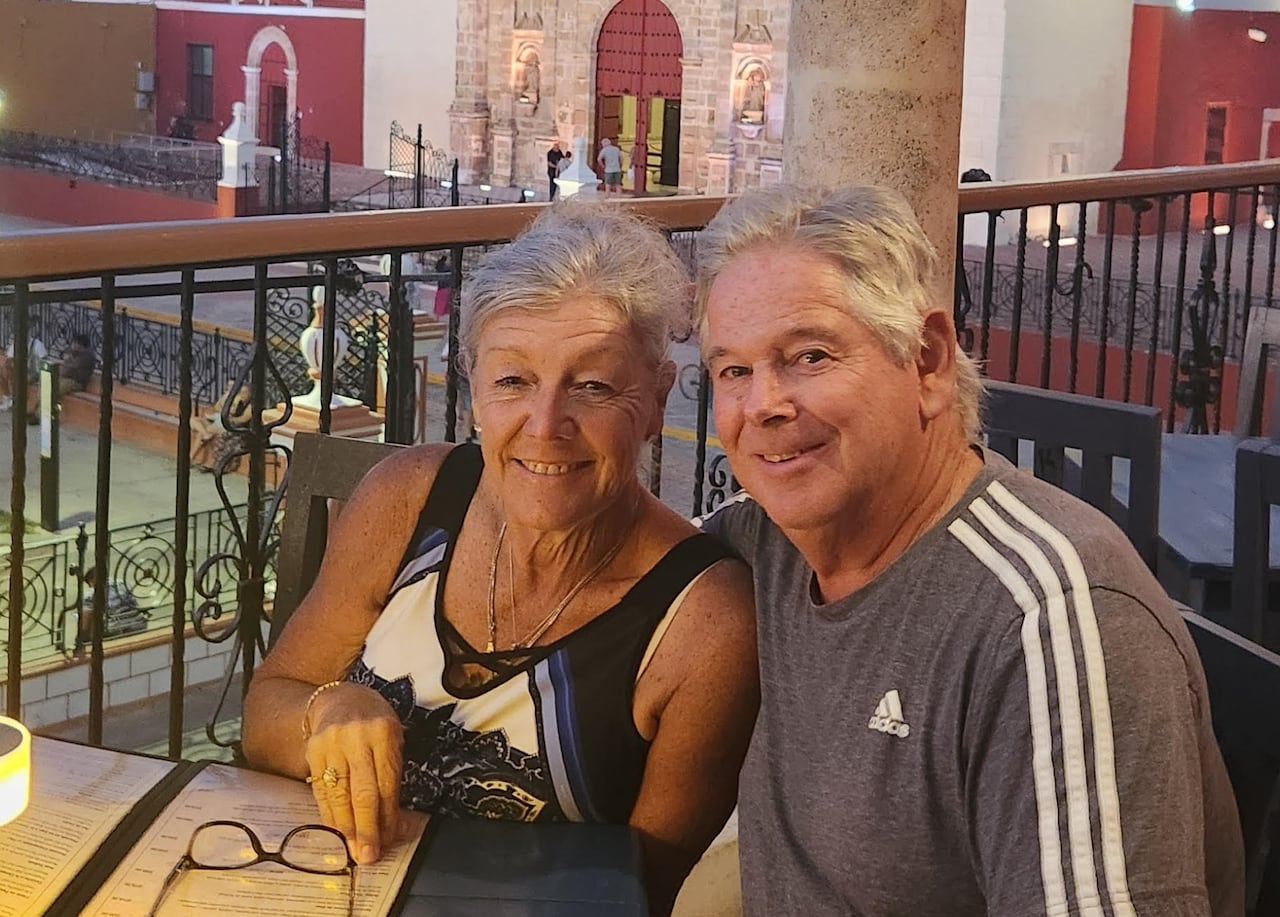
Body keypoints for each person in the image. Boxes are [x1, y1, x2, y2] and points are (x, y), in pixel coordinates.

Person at [693, 184, 1245, 917]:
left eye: (810, 356)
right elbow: (621, 564)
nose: (762, 404)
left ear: (926, 361)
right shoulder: (765, 539)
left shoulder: (1050, 620)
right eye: (734, 370)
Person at [242, 202, 759, 915]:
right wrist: (327, 708)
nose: (545, 427)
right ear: (474, 386)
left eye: (594, 386)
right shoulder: (408, 498)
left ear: (656, 398)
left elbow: (633, 893)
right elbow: (268, 704)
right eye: (513, 381)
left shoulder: (704, 626)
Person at [190, 382, 252, 472]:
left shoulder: (250, 405)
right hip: (225, 422)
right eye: (241, 392)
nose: (242, 395)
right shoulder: (238, 401)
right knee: (195, 421)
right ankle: (195, 454)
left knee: (205, 432)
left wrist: (229, 418)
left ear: (249, 394)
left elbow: (243, 419)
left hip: (236, 429)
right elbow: (216, 408)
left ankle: (196, 459)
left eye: (244, 393)